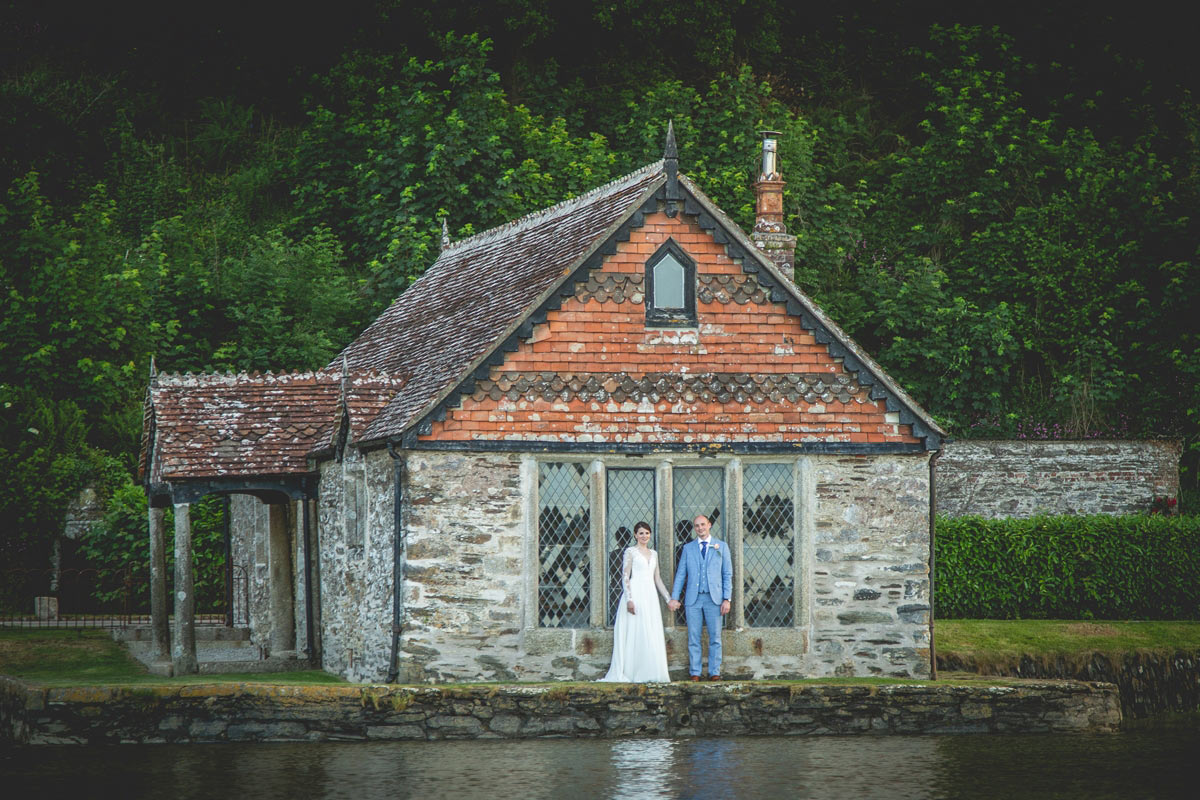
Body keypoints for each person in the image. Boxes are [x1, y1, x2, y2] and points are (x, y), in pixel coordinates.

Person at [599, 521, 672, 682]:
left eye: (646, 533)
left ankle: (651, 671)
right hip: (636, 593)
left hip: (650, 596)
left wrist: (668, 598)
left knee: (650, 632)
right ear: (635, 535)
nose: (644, 536)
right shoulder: (630, 552)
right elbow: (625, 576)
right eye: (641, 533)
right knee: (636, 631)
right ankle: (634, 671)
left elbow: (657, 578)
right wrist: (629, 599)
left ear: (650, 534)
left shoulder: (654, 554)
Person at [668, 513, 732, 680]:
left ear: (709, 525)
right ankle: (695, 672)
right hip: (693, 599)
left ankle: (714, 672)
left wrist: (727, 598)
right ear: (694, 528)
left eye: (703, 524)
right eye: (697, 526)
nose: (700, 528)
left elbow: (727, 574)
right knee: (693, 637)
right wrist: (674, 597)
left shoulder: (721, 546)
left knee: (715, 637)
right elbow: (681, 574)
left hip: (714, 599)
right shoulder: (688, 548)